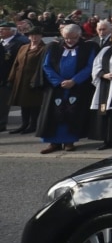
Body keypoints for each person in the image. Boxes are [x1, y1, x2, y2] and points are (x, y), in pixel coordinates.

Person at [38, 24, 98, 153]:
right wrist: (58, 81)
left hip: (77, 87)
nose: (69, 41)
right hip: (56, 87)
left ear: (79, 35)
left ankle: (69, 141)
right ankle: (53, 142)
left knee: (72, 114)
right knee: (53, 114)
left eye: (73, 38)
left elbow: (90, 66)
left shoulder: (88, 47)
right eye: (66, 38)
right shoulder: (53, 46)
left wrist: (74, 81)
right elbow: (46, 66)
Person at [6, 26, 47, 134]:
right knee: (23, 103)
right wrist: (11, 78)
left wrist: (36, 80)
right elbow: (16, 63)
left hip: (34, 80)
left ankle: (33, 124)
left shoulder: (44, 48)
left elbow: (43, 66)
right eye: (32, 35)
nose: (34, 37)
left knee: (34, 103)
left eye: (37, 35)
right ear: (29, 36)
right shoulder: (23, 47)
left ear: (41, 36)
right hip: (21, 79)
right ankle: (24, 124)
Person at [1, 20, 30, 131]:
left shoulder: (19, 43)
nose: (1, 31)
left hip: (8, 76)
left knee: (3, 102)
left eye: (3, 30)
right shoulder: (2, 42)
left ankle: (2, 123)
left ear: (12, 31)